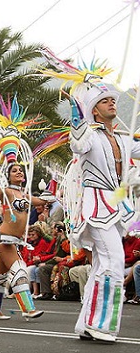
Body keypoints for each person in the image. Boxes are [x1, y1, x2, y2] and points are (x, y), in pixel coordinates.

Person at [66, 83, 140, 343]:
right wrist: (77, 119)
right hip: (95, 205)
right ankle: (102, 325)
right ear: (94, 111)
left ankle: (88, 324)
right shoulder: (89, 136)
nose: (112, 103)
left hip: (116, 207)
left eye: (112, 100)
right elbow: (77, 144)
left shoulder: (123, 137)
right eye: (105, 100)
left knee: (101, 264)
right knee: (114, 260)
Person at [0, 163, 47, 320]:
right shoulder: (8, 192)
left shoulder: (24, 195)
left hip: (14, 241)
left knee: (1, 275)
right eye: (14, 171)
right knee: (19, 269)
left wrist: (53, 193)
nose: (18, 172)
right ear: (8, 176)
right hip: (3, 240)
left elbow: (40, 201)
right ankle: (28, 308)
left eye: (20, 170)